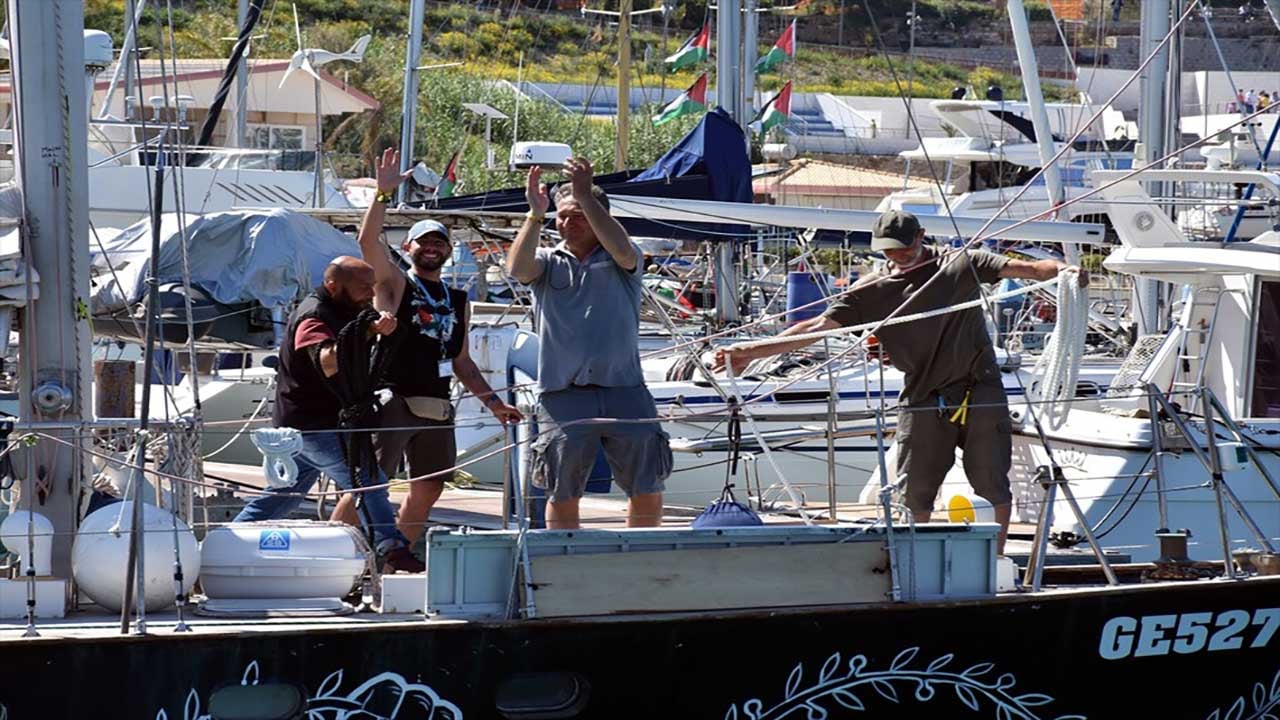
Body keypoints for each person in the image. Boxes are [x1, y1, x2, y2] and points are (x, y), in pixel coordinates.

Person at [713, 210, 1089, 553]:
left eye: (903, 249)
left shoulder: (961, 265)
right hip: (923, 395)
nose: (897, 257)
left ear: (921, 237)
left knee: (992, 483)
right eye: (888, 251)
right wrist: (750, 351)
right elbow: (814, 327)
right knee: (914, 491)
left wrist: (1064, 271)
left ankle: (997, 556)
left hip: (979, 388)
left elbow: (1027, 269)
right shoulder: (871, 293)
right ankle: (913, 560)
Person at [333, 148, 524, 548]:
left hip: (437, 404)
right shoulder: (396, 284)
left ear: (449, 249)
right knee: (369, 483)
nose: (433, 247)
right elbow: (368, 243)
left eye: (440, 241)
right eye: (424, 241)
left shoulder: (457, 299)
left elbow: (463, 362)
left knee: (430, 485)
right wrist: (382, 196)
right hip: (394, 400)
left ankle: (395, 554)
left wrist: (494, 405)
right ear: (409, 248)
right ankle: (331, 547)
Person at [506, 158, 672, 530]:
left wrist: (584, 193)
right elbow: (517, 270)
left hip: (624, 389)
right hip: (564, 394)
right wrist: (535, 215)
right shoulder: (548, 263)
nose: (567, 222)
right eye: (562, 216)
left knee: (645, 483)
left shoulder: (623, 260)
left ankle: (640, 560)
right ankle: (564, 564)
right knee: (562, 489)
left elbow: (622, 248)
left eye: (578, 214)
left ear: (599, 216)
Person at [236, 256, 423, 572]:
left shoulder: (347, 310)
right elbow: (326, 360)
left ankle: (228, 541)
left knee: (282, 499)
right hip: (312, 425)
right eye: (363, 287)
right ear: (334, 285)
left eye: (372, 286)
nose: (369, 294)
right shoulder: (314, 315)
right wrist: (367, 333)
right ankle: (391, 548)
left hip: (313, 424)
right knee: (368, 480)